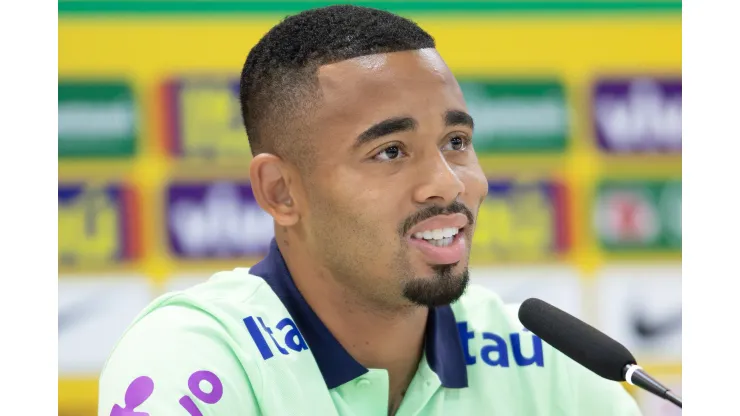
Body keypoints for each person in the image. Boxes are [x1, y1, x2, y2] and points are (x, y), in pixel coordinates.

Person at [98, 5, 642, 415]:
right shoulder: (196, 357)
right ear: (281, 192)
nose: (445, 184)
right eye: (390, 152)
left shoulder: (545, 361)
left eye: (456, 141)